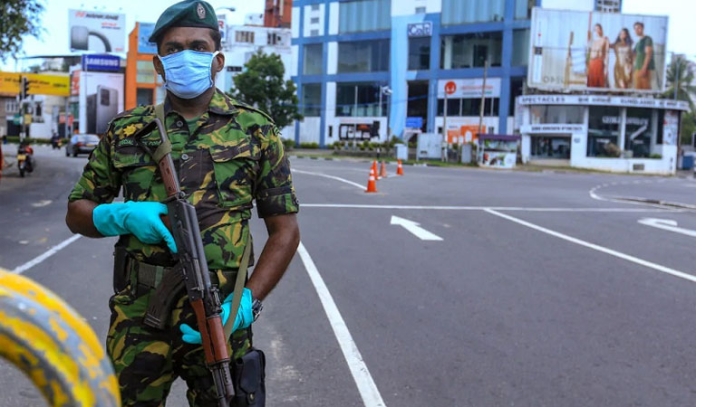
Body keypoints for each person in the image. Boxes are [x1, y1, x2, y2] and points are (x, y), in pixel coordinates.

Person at [64, 1, 301, 405]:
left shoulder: (256, 130)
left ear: (218, 59)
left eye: (197, 46)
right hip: (139, 317)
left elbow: (286, 231)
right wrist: (116, 215)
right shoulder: (127, 131)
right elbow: (76, 212)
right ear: (158, 65)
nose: (184, 56)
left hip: (222, 317)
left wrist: (248, 302)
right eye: (173, 49)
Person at [633, 21, 656, 90]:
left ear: (642, 28)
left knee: (645, 90)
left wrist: (644, 68)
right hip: (637, 69)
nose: (637, 30)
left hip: (645, 69)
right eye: (635, 29)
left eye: (638, 28)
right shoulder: (638, 43)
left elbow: (648, 54)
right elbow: (633, 54)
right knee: (638, 89)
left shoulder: (647, 39)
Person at [586, 23, 609, 88]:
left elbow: (607, 54)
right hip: (591, 62)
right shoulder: (592, 41)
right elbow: (588, 52)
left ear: (601, 30)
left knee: (599, 82)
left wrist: (606, 68)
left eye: (598, 29)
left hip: (599, 62)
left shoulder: (605, 39)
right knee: (591, 82)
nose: (597, 31)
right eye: (595, 29)